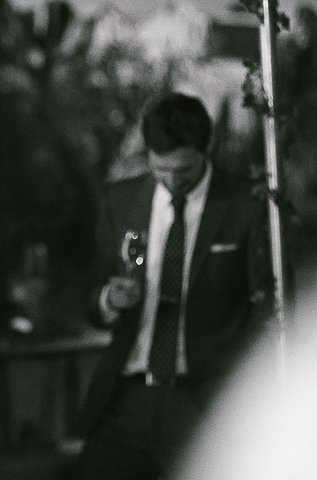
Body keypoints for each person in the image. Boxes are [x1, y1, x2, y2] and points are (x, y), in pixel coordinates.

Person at [75, 92, 276, 480]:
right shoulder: (121, 199)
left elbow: (268, 307)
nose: (171, 180)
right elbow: (92, 293)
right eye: (160, 168)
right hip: (128, 397)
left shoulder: (246, 204)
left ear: (205, 150)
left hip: (205, 396)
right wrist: (108, 300)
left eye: (183, 170)